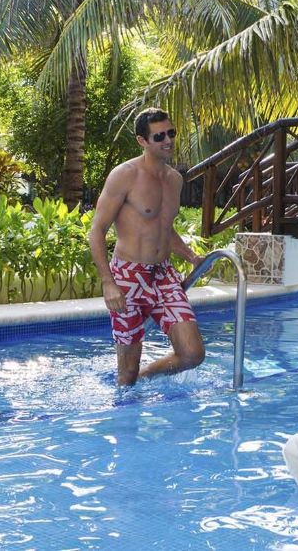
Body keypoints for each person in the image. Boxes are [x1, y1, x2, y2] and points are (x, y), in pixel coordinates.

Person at [89, 107, 206, 386]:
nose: (168, 140)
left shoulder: (174, 179)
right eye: (159, 136)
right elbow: (96, 231)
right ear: (142, 141)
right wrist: (108, 282)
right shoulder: (125, 175)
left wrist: (190, 255)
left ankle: (146, 376)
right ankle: (128, 398)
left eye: (171, 133)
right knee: (126, 374)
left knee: (192, 354)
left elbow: (164, 228)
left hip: (163, 276)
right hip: (128, 277)